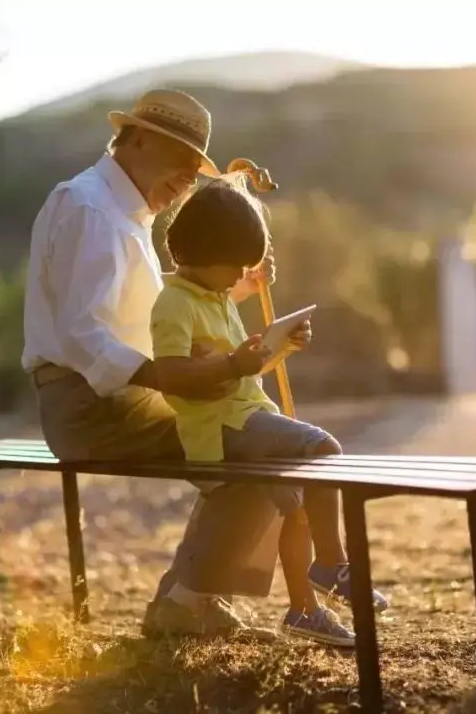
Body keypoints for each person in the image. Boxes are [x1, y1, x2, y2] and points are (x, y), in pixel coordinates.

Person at [22, 88, 301, 639]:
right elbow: (85, 334)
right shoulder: (89, 208)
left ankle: (191, 597)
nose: (188, 181)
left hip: (117, 397)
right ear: (138, 138)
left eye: (195, 170)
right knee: (256, 440)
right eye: (181, 162)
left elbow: (155, 318)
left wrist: (229, 287)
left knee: (255, 434)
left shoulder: (123, 212)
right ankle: (187, 600)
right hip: (91, 407)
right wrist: (170, 377)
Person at [148, 174, 389, 646]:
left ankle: (303, 609)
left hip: (243, 414)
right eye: (234, 265)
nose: (242, 276)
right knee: (321, 446)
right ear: (201, 254)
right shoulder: (173, 304)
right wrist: (235, 361)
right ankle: (331, 564)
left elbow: (240, 370)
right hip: (218, 428)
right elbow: (171, 376)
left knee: (295, 506)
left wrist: (278, 349)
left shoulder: (215, 298)